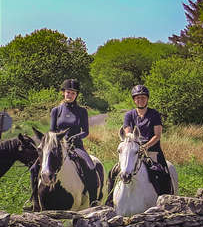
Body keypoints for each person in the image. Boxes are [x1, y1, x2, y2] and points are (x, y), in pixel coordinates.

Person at [28, 79, 98, 210]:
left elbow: (86, 132)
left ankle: (93, 201)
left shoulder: (82, 111)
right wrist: (54, 140)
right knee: (33, 169)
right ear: (63, 93)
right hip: (57, 146)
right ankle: (35, 202)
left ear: (76, 95)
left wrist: (73, 138)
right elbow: (52, 130)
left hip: (75, 146)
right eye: (68, 92)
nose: (70, 95)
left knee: (90, 166)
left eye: (73, 93)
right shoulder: (56, 110)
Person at [106, 85, 171, 205]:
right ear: (134, 100)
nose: (140, 100)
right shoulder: (129, 115)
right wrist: (135, 146)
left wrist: (144, 147)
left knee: (163, 173)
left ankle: (167, 200)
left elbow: (157, 135)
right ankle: (109, 202)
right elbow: (128, 133)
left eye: (143, 97)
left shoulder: (154, 114)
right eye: (137, 98)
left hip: (152, 151)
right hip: (133, 150)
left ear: (147, 99)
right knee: (112, 173)